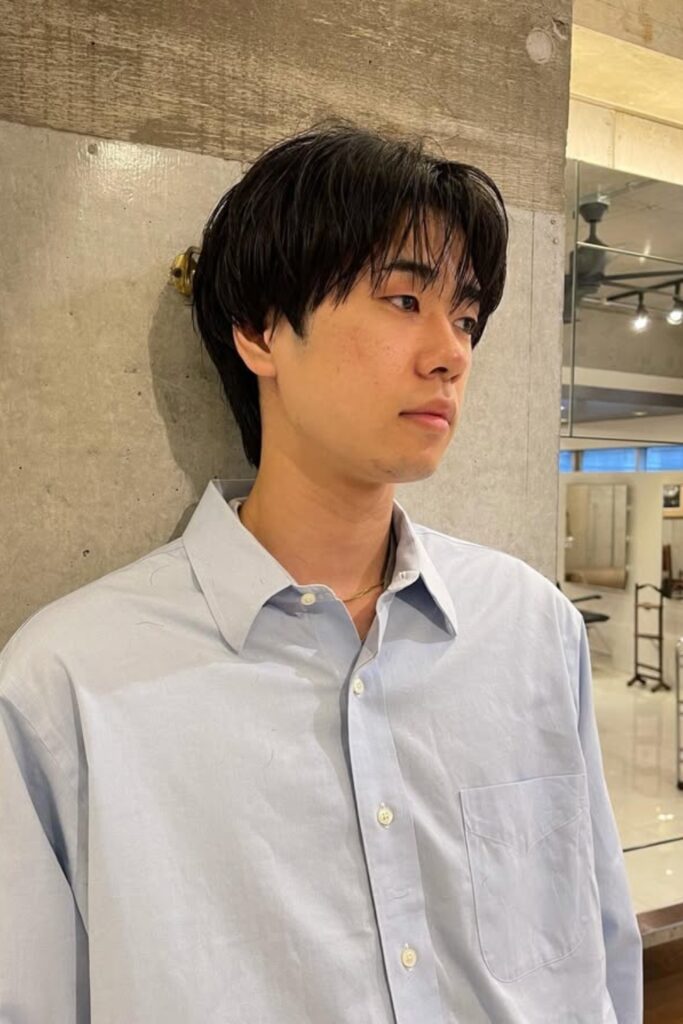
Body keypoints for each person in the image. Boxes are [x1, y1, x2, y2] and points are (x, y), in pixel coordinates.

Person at [0, 122, 642, 1023]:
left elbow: (596, 951)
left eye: (464, 317)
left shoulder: (530, 629)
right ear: (261, 329)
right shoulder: (70, 685)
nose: (452, 352)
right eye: (403, 300)